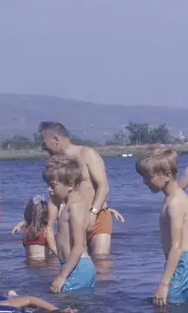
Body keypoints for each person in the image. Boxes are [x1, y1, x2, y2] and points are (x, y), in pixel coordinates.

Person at [136, 145, 188, 305]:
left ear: (166, 175)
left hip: (184, 262)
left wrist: (164, 283)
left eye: (148, 177)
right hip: (187, 262)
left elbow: (176, 247)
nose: (144, 182)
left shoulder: (175, 203)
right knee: (175, 308)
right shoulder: (177, 198)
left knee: (166, 304)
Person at [39, 121, 114, 258]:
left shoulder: (87, 154)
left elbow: (103, 186)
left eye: (44, 143)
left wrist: (93, 213)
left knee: (101, 261)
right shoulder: (56, 164)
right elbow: (54, 196)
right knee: (73, 261)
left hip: (97, 216)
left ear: (56, 140)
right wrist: (49, 224)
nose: (43, 148)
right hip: (73, 218)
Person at [45, 155, 96, 293]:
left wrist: (62, 276)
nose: (49, 190)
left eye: (53, 185)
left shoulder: (76, 206)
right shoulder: (67, 205)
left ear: (70, 185)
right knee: (71, 308)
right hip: (71, 265)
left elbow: (79, 246)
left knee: (67, 307)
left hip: (78, 267)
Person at [12, 195, 52, 262]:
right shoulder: (46, 231)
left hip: (29, 264)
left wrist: (20, 224)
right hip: (44, 264)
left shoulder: (26, 232)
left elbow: (33, 220)